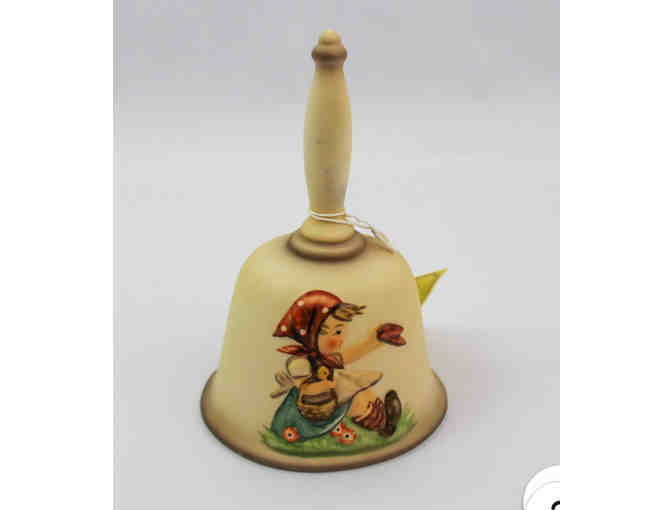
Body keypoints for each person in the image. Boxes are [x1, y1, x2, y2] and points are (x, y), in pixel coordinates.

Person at [269, 290, 405, 442]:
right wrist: (326, 385)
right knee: (356, 398)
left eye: (340, 331)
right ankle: (380, 423)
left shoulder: (326, 358)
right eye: (331, 332)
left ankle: (385, 418)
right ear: (309, 333)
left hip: (332, 397)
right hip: (312, 410)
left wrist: (375, 341)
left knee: (360, 389)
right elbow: (305, 389)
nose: (339, 340)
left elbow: (351, 355)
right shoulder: (301, 363)